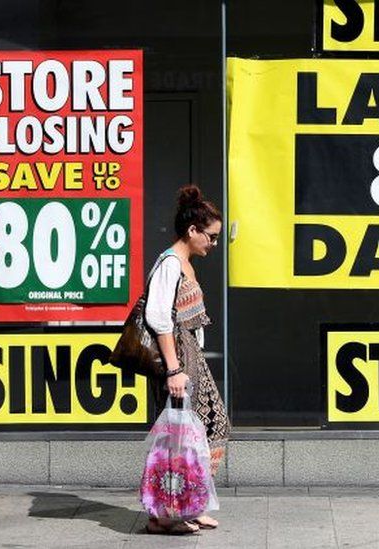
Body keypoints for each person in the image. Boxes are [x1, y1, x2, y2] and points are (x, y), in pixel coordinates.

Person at [144, 184, 229, 535]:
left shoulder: (184, 263)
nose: (214, 243)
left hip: (191, 355)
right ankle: (168, 514)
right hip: (178, 359)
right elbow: (158, 317)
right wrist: (174, 369)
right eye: (210, 236)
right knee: (180, 437)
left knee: (209, 428)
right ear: (192, 230)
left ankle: (190, 504)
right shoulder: (169, 265)